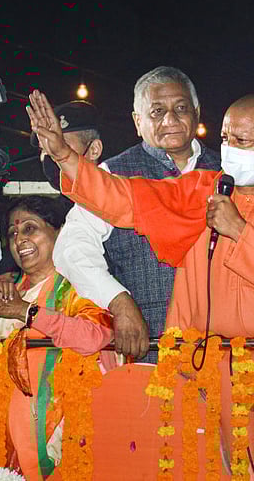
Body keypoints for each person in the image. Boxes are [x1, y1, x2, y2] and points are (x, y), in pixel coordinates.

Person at [28, 89, 254, 478]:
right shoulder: (204, 189)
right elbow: (126, 198)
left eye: (241, 141)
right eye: (226, 138)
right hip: (206, 366)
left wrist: (239, 232)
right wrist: (64, 156)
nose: (228, 149)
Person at [52, 67, 221, 361]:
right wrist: (118, 302)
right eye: (157, 111)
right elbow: (71, 249)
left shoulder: (228, 172)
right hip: (148, 347)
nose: (170, 119)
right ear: (137, 121)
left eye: (181, 108)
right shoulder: (113, 174)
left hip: (225, 346)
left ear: (196, 112)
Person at [0, 196, 113, 481]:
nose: (19, 239)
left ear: (59, 234)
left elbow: (94, 337)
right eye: (12, 233)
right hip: (3, 436)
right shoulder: (3, 289)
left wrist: (25, 313)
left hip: (64, 435)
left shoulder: (82, 286)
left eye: (30, 229)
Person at [0, 100, 104, 301]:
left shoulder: (122, 200)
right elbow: (1, 273)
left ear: (94, 150)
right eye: (45, 149)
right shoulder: (58, 212)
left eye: (60, 146)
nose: (51, 155)